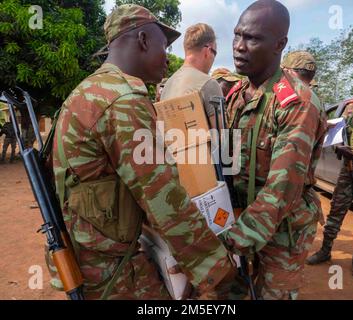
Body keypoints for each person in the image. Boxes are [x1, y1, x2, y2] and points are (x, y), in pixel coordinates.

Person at [52, 4, 241, 300]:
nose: (167, 58)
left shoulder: (86, 91)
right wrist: (218, 267)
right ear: (142, 40)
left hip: (90, 253)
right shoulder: (123, 99)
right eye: (163, 46)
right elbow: (162, 197)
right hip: (113, 268)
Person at [218, 0, 327, 300]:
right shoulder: (238, 94)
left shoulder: (297, 102)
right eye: (237, 35)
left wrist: (233, 241)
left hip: (282, 230)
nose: (239, 46)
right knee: (231, 293)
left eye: (252, 38)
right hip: (240, 219)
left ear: (280, 44)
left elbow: (283, 188)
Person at [306, 61, 353, 281]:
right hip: (348, 168)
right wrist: (339, 147)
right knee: (336, 210)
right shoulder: (351, 106)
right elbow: (334, 133)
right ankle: (325, 251)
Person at [161, 23, 223, 128]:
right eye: (214, 53)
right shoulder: (209, 84)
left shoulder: (167, 86)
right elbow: (222, 138)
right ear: (208, 51)